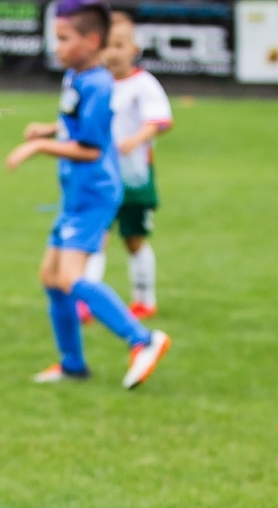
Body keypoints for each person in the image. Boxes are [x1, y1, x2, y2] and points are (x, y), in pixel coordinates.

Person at [7, 0, 171, 390]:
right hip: (77, 193)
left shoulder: (98, 84)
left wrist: (39, 148)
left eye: (64, 39)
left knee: (70, 277)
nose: (57, 47)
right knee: (51, 276)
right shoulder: (75, 76)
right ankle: (73, 364)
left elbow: (93, 149)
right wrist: (48, 130)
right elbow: (76, 125)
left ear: (91, 40)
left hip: (95, 194)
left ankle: (144, 340)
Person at [81, 10, 172, 322]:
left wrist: (135, 140)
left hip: (134, 179)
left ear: (134, 49)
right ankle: (88, 300)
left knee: (134, 240)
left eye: (120, 45)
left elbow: (161, 120)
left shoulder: (143, 84)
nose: (113, 52)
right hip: (101, 178)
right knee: (96, 239)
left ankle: (145, 298)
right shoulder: (98, 83)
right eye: (108, 45)